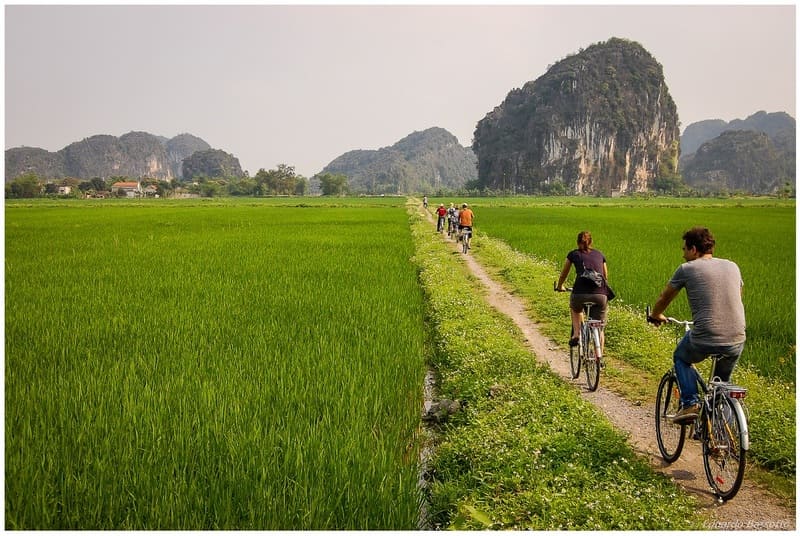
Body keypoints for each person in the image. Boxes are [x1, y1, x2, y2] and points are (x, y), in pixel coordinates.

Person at [647, 226, 746, 422]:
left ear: (693, 249)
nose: (683, 255)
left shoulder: (687, 269)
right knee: (721, 385)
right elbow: (738, 295)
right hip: (737, 337)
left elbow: (664, 297)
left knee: (681, 357)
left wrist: (656, 315)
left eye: (684, 249)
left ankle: (690, 403)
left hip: (706, 335)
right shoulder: (732, 266)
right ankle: (720, 430)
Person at [556, 231, 611, 353]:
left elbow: (564, 273)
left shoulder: (573, 254)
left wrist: (560, 286)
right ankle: (599, 358)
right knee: (599, 327)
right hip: (600, 294)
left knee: (575, 308)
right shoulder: (600, 254)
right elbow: (605, 276)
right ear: (591, 242)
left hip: (579, 292)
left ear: (577, 242)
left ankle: (576, 334)